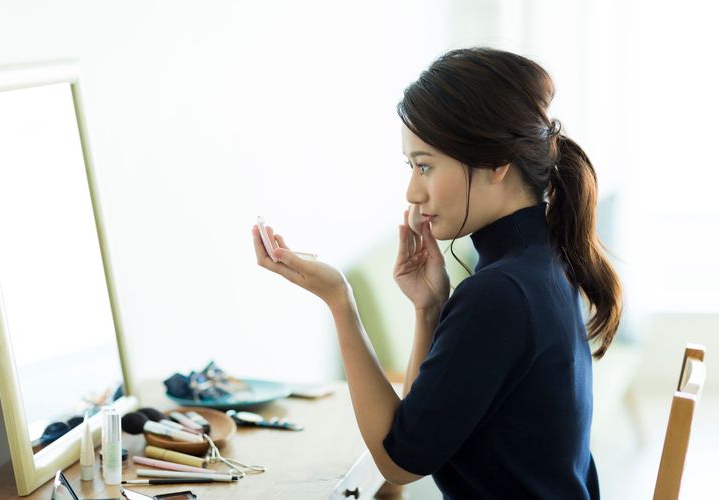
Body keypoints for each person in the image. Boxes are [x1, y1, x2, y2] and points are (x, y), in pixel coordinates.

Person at [251, 47, 622, 499]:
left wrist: (340, 302)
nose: (413, 190)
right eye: (411, 167)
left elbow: (399, 460)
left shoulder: (498, 294)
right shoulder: (542, 259)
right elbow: (419, 428)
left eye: (425, 165)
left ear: (495, 163)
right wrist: (429, 309)